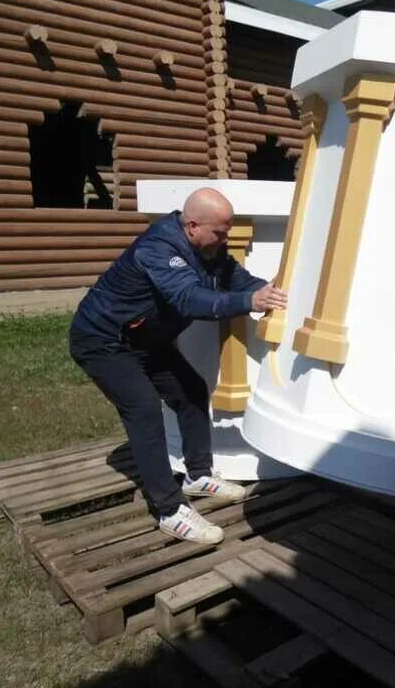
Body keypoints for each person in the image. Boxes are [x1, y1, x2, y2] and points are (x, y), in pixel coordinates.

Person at [69, 188, 287, 545]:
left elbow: (236, 277)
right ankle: (168, 510)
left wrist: (268, 292)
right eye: (219, 232)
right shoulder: (157, 249)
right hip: (103, 341)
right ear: (191, 226)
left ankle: (198, 476)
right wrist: (249, 301)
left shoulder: (209, 248)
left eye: (227, 231)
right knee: (143, 410)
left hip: (144, 340)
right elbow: (189, 298)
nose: (225, 239)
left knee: (192, 391)